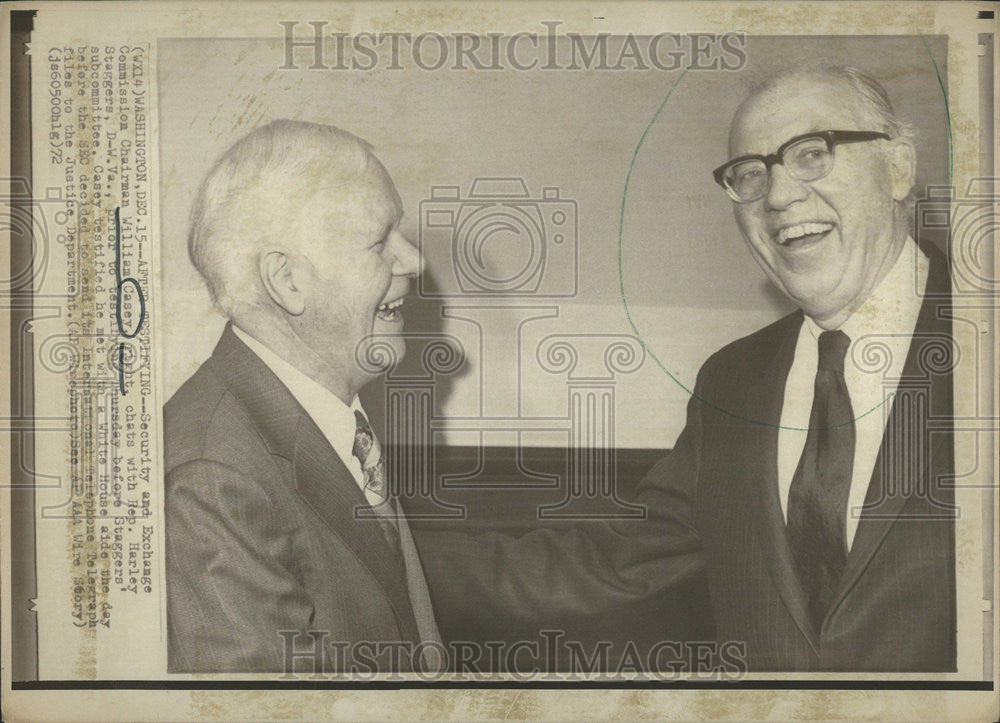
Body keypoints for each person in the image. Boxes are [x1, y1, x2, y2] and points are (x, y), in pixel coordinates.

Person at [419, 66, 955, 672]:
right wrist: (387, 556)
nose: (777, 196)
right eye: (750, 173)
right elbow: (615, 565)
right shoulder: (733, 381)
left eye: (812, 154)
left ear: (899, 168)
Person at [164, 120, 441, 673]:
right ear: (287, 281)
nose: (413, 261)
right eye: (379, 241)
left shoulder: (320, 418)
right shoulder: (213, 480)